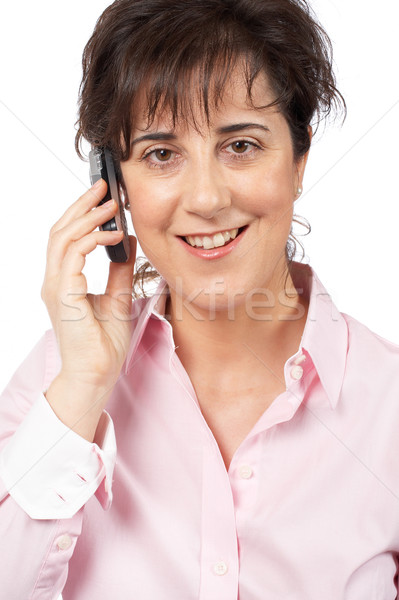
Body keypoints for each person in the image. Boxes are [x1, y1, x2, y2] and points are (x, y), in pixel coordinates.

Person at [1, 0, 399, 598]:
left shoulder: (388, 405)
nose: (207, 198)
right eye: (162, 154)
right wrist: (82, 392)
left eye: (241, 145)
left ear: (299, 159)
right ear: (114, 185)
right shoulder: (55, 380)